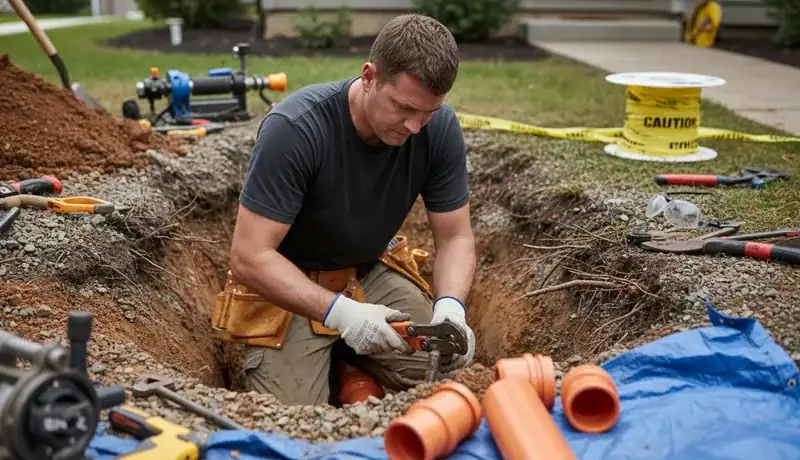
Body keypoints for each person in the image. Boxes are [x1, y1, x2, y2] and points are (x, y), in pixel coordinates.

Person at [225, 13, 477, 406]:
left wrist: (450, 309)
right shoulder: (296, 129)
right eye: (403, 107)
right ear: (369, 76)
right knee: (294, 417)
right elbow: (249, 256)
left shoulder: (439, 128)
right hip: (290, 288)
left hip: (367, 272)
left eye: (427, 112)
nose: (414, 126)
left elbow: (455, 237)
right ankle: (340, 357)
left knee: (449, 371)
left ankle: (350, 361)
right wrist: (343, 315)